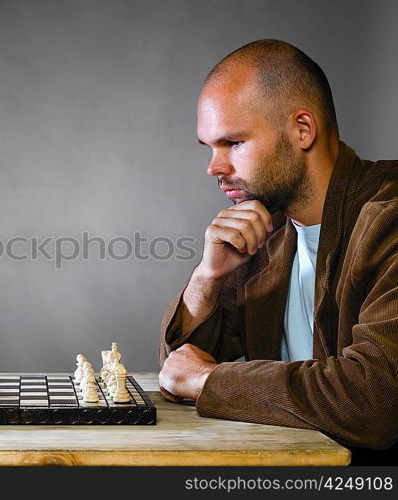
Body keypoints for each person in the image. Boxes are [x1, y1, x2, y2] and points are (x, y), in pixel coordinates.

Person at [158, 39, 398, 464]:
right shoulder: (267, 234)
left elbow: (374, 401)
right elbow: (178, 369)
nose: (213, 167)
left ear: (303, 129)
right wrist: (206, 280)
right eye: (209, 147)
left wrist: (209, 381)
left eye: (232, 143)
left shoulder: (388, 217)